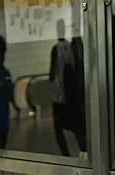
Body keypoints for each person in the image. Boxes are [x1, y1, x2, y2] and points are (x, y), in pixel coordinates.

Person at [49, 18, 87, 155]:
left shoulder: (56, 49)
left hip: (59, 96)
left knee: (58, 128)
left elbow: (52, 74)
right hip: (73, 97)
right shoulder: (73, 47)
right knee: (78, 128)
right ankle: (84, 153)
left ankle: (66, 155)